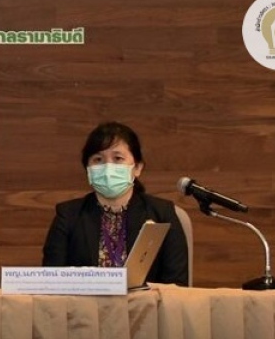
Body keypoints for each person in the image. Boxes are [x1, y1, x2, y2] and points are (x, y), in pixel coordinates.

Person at [41, 121, 188, 286]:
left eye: (117, 158)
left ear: (137, 168)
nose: (107, 168)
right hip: (85, 303)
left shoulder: (162, 213)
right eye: (98, 159)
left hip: (145, 303)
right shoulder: (68, 215)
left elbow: (177, 285)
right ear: (88, 170)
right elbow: (51, 283)